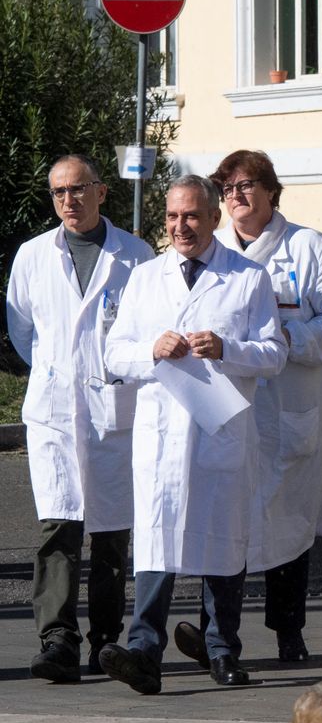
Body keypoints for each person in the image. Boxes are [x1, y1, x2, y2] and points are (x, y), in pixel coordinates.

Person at [99, 175, 287, 694]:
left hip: (220, 432)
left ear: (213, 218)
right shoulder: (145, 278)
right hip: (161, 436)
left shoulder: (247, 278)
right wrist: (150, 350)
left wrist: (228, 348)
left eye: (192, 217)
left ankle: (223, 649)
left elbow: (275, 355)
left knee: (223, 543)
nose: (181, 227)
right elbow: (115, 353)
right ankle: (144, 652)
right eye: (173, 217)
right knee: (157, 543)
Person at [174, 150, 322, 665]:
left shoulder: (307, 246)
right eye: (227, 187)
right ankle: (214, 634)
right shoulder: (211, 250)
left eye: (246, 185)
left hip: (288, 408)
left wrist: (286, 337)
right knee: (223, 517)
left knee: (288, 525)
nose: (236, 196)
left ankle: (288, 632)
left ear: (271, 191)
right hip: (228, 407)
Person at [6, 155, 154, 682]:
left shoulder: (135, 257)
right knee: (58, 526)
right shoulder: (32, 256)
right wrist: (57, 374)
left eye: (79, 189)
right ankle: (58, 641)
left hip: (114, 411)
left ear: (101, 191)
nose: (69, 200)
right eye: (58, 192)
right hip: (55, 412)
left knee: (112, 532)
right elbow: (24, 331)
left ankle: (107, 640)